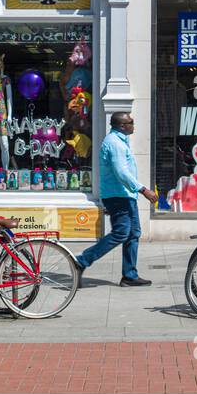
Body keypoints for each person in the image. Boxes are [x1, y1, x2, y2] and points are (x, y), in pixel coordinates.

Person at [73, 112, 158, 287]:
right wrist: (143, 190)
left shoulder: (119, 141)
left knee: (133, 234)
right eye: (130, 122)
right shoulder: (115, 143)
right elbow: (121, 172)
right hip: (118, 196)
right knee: (121, 232)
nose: (133, 124)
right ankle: (82, 260)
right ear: (121, 126)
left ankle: (129, 275)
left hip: (125, 195)